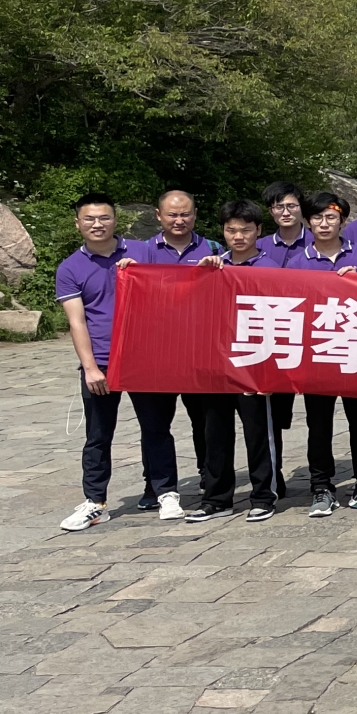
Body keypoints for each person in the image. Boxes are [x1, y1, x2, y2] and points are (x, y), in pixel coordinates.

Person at [57, 194, 181, 531]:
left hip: (144, 359)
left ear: (115, 221)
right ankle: (95, 502)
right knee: (98, 436)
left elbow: (173, 288)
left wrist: (143, 274)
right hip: (101, 362)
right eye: (90, 219)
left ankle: (166, 492)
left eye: (104, 218)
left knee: (156, 429)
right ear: (78, 223)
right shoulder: (70, 268)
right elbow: (77, 322)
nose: (97, 224)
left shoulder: (143, 252)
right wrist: (90, 368)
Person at [291, 191, 357, 518]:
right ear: (308, 222)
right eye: (317, 217)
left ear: (342, 221)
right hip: (317, 355)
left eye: (331, 217)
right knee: (318, 425)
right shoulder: (299, 261)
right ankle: (321, 487)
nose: (324, 223)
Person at [185, 200, 284, 524]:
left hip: (255, 364)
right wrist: (204, 273)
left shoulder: (270, 268)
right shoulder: (214, 267)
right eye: (231, 230)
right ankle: (217, 498)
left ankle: (263, 496)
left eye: (245, 230)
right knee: (215, 434)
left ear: (258, 230)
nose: (238, 236)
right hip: (217, 365)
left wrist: (272, 370)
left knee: (258, 434)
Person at [128, 189, 221, 478]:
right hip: (158, 352)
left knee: (205, 420)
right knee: (155, 423)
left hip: (201, 352)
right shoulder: (142, 252)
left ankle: (208, 474)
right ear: (159, 216)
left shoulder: (214, 249)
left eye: (185, 214)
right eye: (172, 214)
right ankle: (156, 483)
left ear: (195, 215)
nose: (179, 220)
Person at [259, 181, 309, 264]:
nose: (286, 213)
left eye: (291, 206)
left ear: (301, 208)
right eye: (279, 207)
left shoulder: (317, 243)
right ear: (271, 211)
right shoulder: (259, 247)